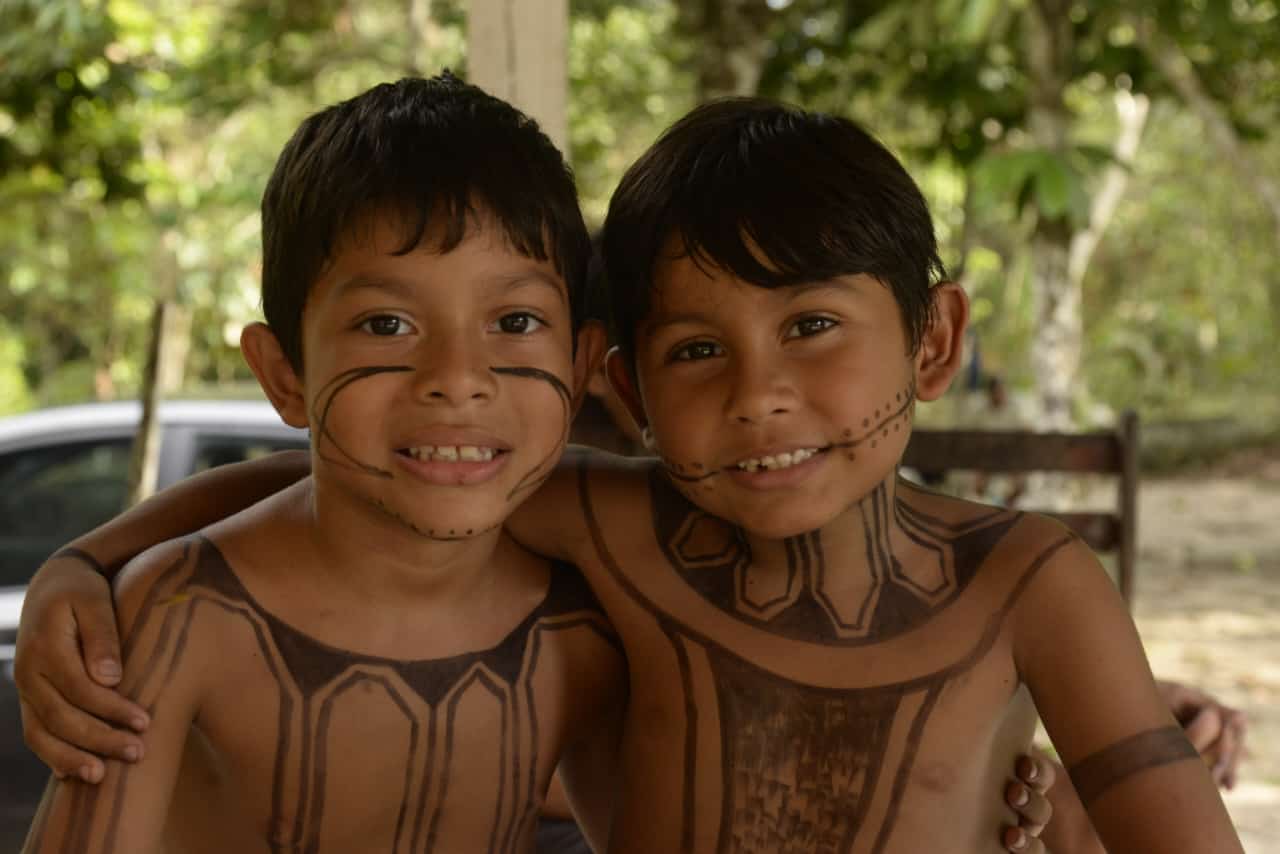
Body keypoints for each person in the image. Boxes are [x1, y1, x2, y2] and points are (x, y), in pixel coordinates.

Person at [24, 97, 1202, 852]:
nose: (757, 393)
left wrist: (1071, 807)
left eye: (810, 326)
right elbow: (353, 482)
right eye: (695, 350)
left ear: (933, 341)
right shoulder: (608, 530)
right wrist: (89, 564)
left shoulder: (1028, 580)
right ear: (626, 388)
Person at [18, 74, 630, 853]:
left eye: (514, 320)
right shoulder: (182, 616)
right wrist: (79, 563)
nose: (457, 377)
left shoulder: (585, 623)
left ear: (579, 367)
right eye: (387, 323)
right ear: (284, 376)